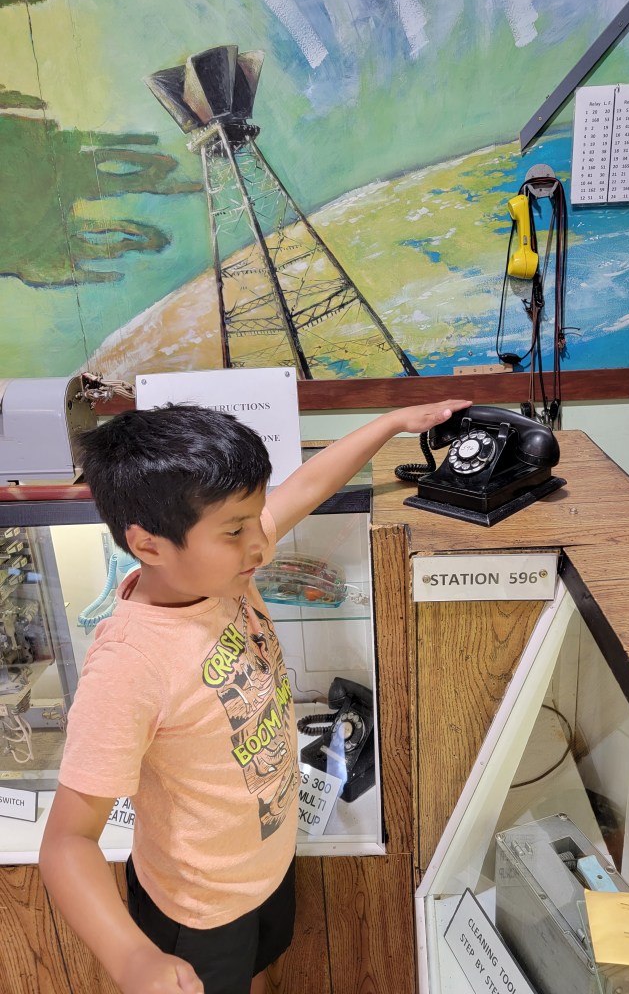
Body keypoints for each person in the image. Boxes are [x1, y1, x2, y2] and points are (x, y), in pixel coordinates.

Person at [40, 396, 471, 994]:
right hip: (196, 908)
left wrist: (393, 423)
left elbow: (310, 484)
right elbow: (65, 841)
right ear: (148, 545)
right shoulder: (129, 664)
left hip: (264, 866)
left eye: (256, 516)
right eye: (236, 530)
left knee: (258, 967)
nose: (261, 544)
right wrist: (131, 958)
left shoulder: (214, 564)